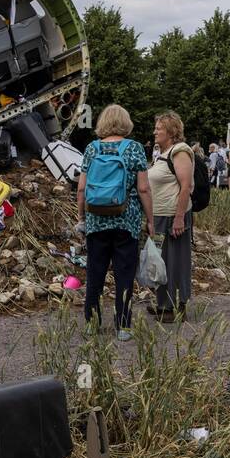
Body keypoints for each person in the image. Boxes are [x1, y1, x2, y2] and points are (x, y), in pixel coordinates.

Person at [76, 104, 153, 340]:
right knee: (124, 273)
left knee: (95, 272)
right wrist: (150, 219)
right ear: (125, 122)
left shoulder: (92, 149)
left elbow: (81, 188)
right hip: (126, 220)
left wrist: (81, 217)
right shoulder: (135, 148)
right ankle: (123, 327)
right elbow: (143, 187)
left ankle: (92, 323)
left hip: (97, 220)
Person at [148, 110, 194, 322]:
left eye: (159, 128)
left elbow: (185, 187)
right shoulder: (162, 154)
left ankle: (176, 307)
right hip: (160, 216)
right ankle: (163, 303)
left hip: (172, 217)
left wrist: (179, 219)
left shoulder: (180, 151)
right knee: (161, 261)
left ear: (172, 131)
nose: (155, 131)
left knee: (175, 261)